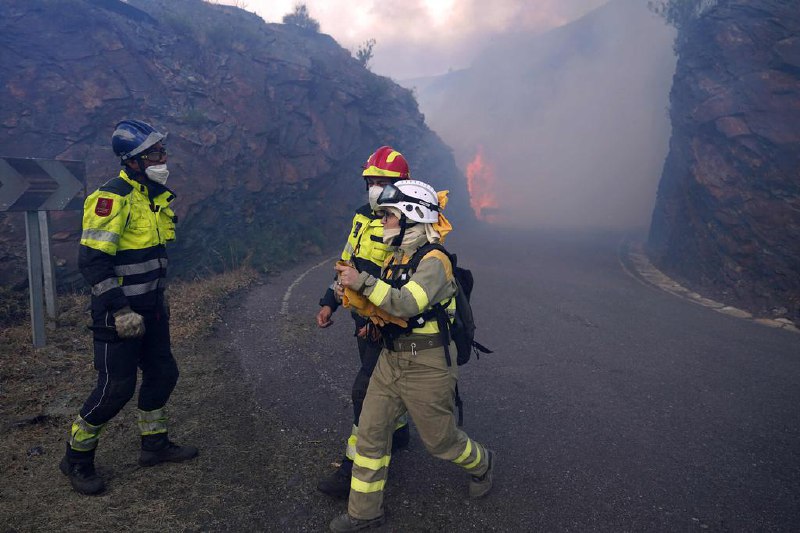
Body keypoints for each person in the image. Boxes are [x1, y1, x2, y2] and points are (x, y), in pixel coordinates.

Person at [329, 180, 495, 532]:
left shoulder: (435, 262)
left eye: (389, 215)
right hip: (390, 361)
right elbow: (389, 308)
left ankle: (483, 463)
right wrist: (367, 315)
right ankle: (363, 515)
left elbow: (406, 304)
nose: (383, 221)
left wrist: (362, 282)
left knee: (441, 442)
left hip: (427, 365)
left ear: (411, 216)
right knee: (371, 435)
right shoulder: (396, 258)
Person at [59, 119, 197, 495]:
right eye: (154, 154)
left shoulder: (152, 196)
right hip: (118, 314)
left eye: (162, 152)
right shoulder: (111, 197)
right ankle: (76, 458)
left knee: (163, 374)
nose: (162, 159)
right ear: (131, 161)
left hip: (152, 309)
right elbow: (92, 262)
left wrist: (156, 300)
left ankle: (154, 445)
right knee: (115, 389)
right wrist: (121, 310)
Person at [316, 146, 413, 499]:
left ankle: (354, 467)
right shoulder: (361, 216)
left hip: (386, 323)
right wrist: (330, 301)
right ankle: (398, 431)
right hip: (362, 320)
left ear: (400, 184)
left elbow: (404, 281)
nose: (374, 188)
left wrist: (379, 320)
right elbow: (348, 263)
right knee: (381, 383)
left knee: (365, 392)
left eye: (381, 182)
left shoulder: (407, 223)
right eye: (370, 181)